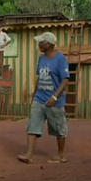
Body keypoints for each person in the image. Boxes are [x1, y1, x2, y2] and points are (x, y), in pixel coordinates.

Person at [17, 31, 69, 164]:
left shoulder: (60, 59)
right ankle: (29, 154)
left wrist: (55, 97)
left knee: (59, 129)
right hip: (39, 98)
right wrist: (34, 95)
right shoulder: (41, 59)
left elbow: (64, 81)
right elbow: (39, 78)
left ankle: (61, 154)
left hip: (54, 102)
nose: (39, 44)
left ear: (50, 44)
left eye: (42, 42)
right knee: (32, 125)